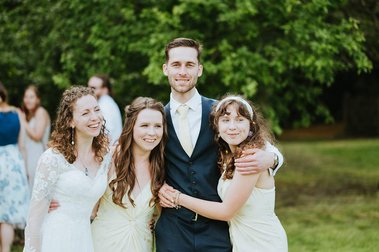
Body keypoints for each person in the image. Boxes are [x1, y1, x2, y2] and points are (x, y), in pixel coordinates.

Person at [155, 38, 284, 252]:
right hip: (174, 230)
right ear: (165, 69)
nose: (183, 71)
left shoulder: (223, 114)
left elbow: (259, 142)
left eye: (190, 65)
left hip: (217, 229)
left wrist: (273, 158)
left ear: (200, 69)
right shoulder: (157, 119)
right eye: (176, 65)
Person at [165, 95, 288, 251]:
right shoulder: (230, 155)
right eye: (225, 120)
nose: (232, 127)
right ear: (216, 126)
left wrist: (177, 197)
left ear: (251, 124)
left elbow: (226, 212)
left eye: (240, 119)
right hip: (241, 240)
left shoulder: (250, 158)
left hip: (261, 241)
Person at [23, 86, 112, 252]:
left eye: (96, 110)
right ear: (70, 121)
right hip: (55, 237)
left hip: (85, 239)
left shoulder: (105, 157)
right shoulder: (52, 159)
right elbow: (34, 220)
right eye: (85, 113)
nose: (95, 117)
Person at [91, 97, 167, 252]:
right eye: (144, 125)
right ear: (131, 126)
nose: (151, 132)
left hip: (141, 245)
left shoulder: (162, 167)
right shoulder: (110, 158)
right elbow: (88, 203)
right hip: (102, 244)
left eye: (157, 126)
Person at [0, 81, 29, 252]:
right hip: (14, 163)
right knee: (8, 213)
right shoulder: (17, 113)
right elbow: (22, 144)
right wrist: (25, 170)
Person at [21, 85, 51, 189]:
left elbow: (38, 136)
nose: (27, 100)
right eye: (26, 97)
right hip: (30, 156)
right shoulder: (31, 115)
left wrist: (23, 121)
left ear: (38, 99)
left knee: (36, 188)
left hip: (38, 155)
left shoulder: (40, 112)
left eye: (31, 97)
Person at [87, 74, 122, 145]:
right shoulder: (108, 102)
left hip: (108, 151)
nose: (88, 90)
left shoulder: (104, 105)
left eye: (93, 88)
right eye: (88, 86)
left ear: (105, 90)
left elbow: (106, 131)